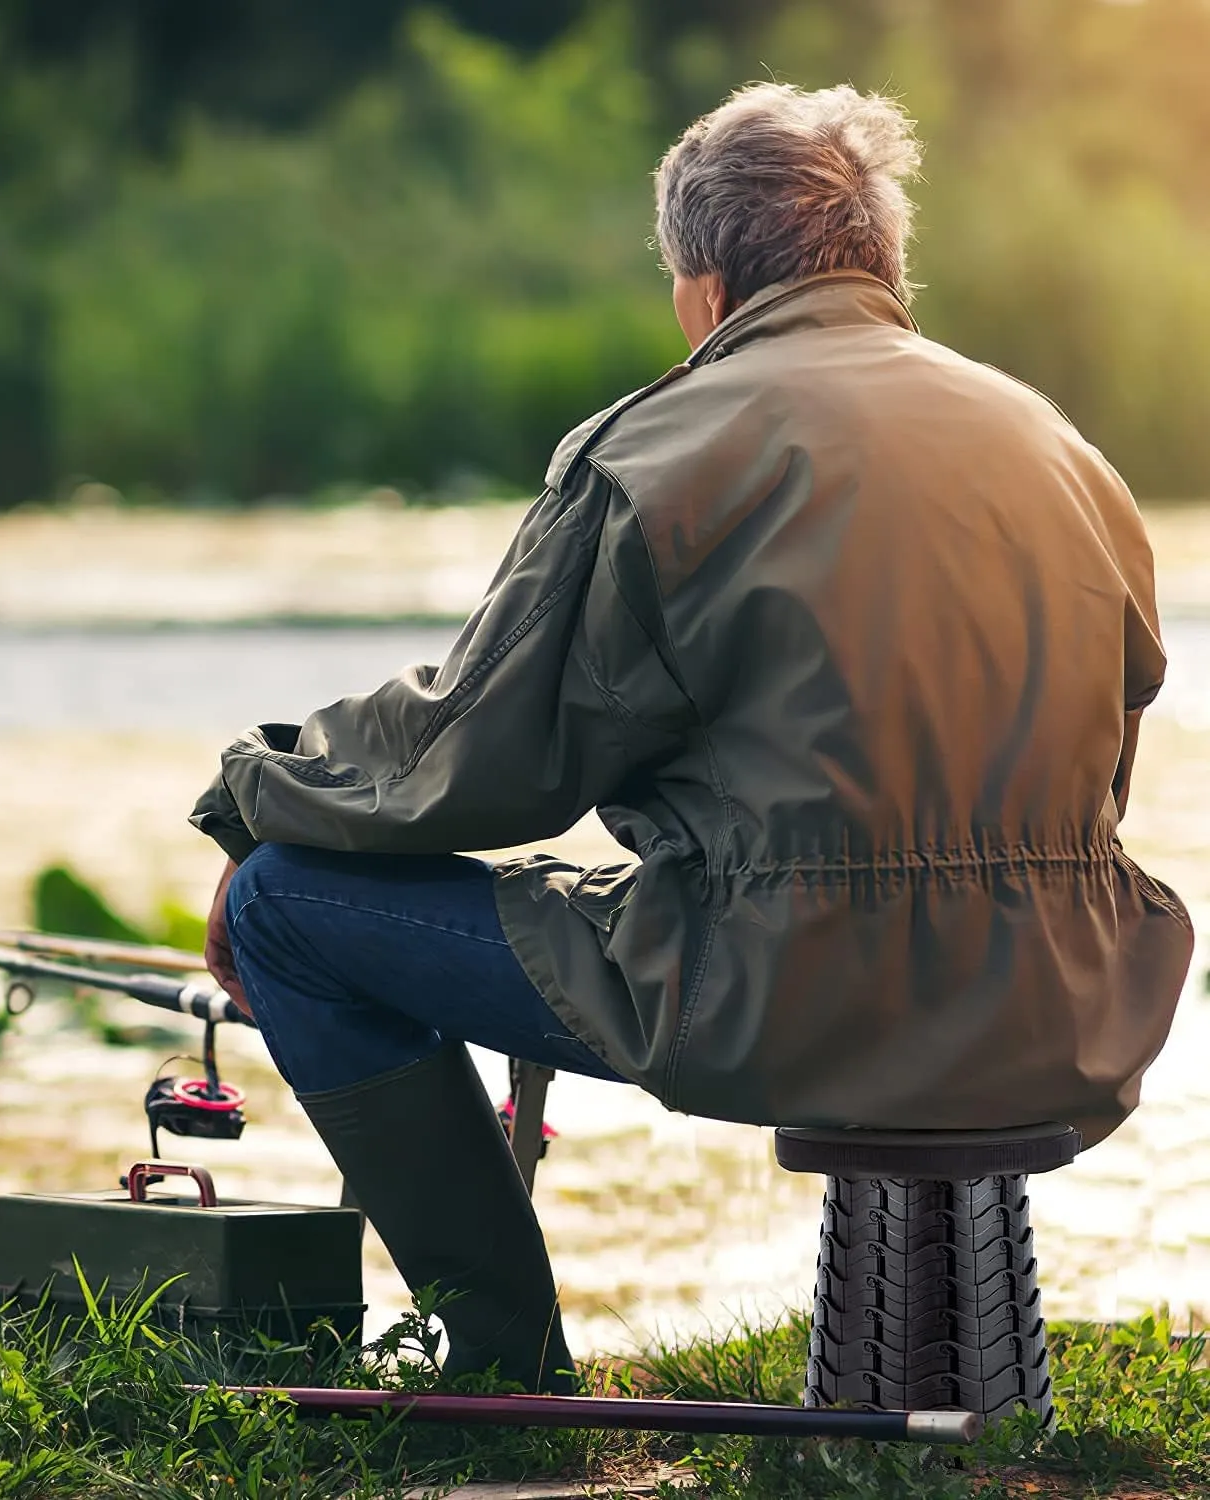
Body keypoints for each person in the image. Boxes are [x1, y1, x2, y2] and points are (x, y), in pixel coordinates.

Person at [190, 82, 1194, 1395]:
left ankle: (502, 1365)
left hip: (794, 998)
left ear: (703, 288)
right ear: (887, 264)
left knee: (282, 910)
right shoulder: (1061, 447)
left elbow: (473, 764)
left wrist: (254, 793)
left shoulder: (661, 451)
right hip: (1074, 1002)